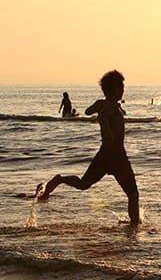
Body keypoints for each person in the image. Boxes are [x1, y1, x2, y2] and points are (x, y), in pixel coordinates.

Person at [37, 70, 140, 224]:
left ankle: (59, 180)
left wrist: (100, 106)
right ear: (115, 89)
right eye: (121, 87)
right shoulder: (111, 105)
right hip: (116, 157)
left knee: (83, 184)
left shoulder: (107, 104)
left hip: (106, 155)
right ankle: (134, 226)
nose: (123, 90)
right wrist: (105, 120)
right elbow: (103, 118)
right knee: (132, 193)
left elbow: (87, 111)